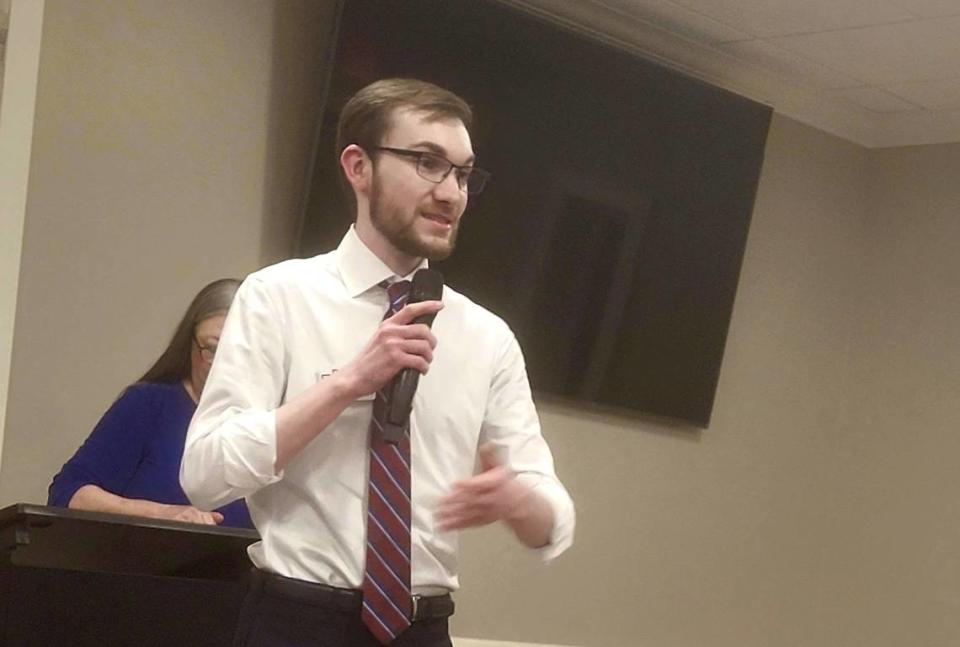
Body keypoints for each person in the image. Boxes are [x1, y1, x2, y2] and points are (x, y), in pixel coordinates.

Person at [181, 79, 574, 646]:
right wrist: (347, 384)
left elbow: (550, 515)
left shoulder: (486, 338)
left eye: (463, 174)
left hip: (423, 629)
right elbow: (203, 477)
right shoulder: (279, 296)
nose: (452, 194)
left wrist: (520, 502)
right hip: (295, 623)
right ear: (358, 166)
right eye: (426, 163)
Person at [48, 278, 253, 529]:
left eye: (238, 354)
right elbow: (67, 493)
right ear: (189, 345)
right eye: (211, 350)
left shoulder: (272, 421)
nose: (223, 366)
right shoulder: (149, 404)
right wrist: (161, 513)